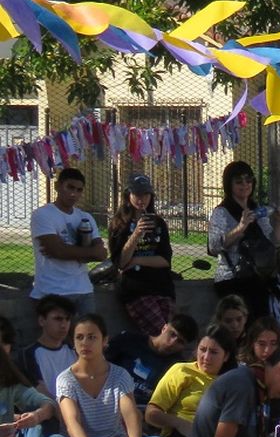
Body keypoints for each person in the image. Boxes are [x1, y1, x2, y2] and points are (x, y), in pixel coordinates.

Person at [45, 314, 167, 437]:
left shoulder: (119, 375)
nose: (85, 343)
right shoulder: (65, 379)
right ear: (73, 342)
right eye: (79, 337)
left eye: (92, 337)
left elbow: (130, 413)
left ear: (104, 341)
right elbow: (71, 422)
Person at [146, 326, 233, 437]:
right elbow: (151, 413)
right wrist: (180, 424)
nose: (206, 357)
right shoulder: (181, 371)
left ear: (226, 356)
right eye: (202, 350)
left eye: (213, 352)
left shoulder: (232, 381)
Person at [208, 160, 280, 324]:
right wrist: (241, 227)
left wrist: (279, 222)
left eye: (248, 180)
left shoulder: (256, 209)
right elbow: (214, 246)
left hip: (258, 278)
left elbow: (274, 244)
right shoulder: (221, 212)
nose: (245, 185)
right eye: (238, 181)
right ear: (229, 185)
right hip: (233, 279)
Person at [29, 165, 106, 314]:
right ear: (58, 186)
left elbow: (101, 254)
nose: (74, 194)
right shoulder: (43, 214)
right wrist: (88, 253)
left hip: (84, 289)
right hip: (53, 290)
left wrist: (68, 251)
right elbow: (57, 251)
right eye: (70, 188)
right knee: (59, 336)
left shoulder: (85, 217)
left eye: (79, 190)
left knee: (88, 334)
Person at [108, 173, 178, 335]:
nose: (142, 199)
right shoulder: (119, 224)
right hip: (136, 290)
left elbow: (165, 260)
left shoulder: (158, 223)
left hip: (162, 287)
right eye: (137, 194)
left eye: (146, 194)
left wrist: (137, 260)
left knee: (173, 334)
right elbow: (121, 262)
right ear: (128, 195)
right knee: (162, 334)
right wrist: (136, 234)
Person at [105, 313, 198, 406]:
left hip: (144, 411)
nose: (172, 343)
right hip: (110, 399)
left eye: (180, 342)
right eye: (172, 334)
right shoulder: (129, 340)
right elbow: (99, 366)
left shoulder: (177, 366)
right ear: (164, 328)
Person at [15, 295, 75, 403]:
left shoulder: (75, 350)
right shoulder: (28, 354)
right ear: (42, 321)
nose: (64, 325)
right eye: (58, 319)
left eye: (67, 319)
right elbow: (39, 391)